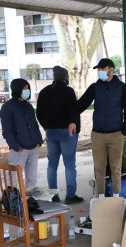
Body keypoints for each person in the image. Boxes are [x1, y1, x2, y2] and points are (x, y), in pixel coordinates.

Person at [77, 58, 126, 198]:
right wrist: (69, 117)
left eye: (102, 69)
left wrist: (123, 131)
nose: (100, 72)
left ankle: (116, 197)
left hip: (116, 134)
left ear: (111, 70)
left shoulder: (123, 88)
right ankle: (100, 197)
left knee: (116, 168)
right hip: (98, 134)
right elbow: (81, 105)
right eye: (99, 69)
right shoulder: (95, 87)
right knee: (99, 168)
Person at [36, 66, 83, 204]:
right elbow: (74, 109)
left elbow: (39, 113)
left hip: (51, 132)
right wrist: (73, 123)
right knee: (69, 165)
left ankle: (53, 195)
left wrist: (46, 126)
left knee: (52, 165)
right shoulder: (68, 91)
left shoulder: (44, 92)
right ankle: (70, 196)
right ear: (65, 77)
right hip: (67, 133)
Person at [0, 78, 43, 189]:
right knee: (13, 178)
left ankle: (29, 200)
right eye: (24, 89)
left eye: (28, 89)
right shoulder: (7, 107)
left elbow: (34, 125)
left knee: (32, 178)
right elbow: (7, 131)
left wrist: (39, 140)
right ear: (17, 89)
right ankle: (13, 202)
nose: (27, 91)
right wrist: (16, 146)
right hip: (19, 148)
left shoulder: (28, 106)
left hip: (33, 147)